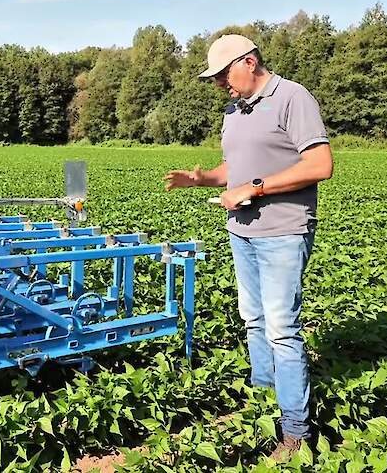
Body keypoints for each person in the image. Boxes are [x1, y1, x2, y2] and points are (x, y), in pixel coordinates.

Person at [164, 34, 333, 462]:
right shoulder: (234, 111)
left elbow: (319, 165)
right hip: (242, 232)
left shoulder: (292, 98)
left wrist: (255, 189)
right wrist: (203, 179)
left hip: (282, 232)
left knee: (281, 330)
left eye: (224, 75)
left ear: (250, 62)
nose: (221, 84)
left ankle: (296, 431)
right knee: (253, 321)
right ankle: (261, 405)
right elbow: (236, 169)